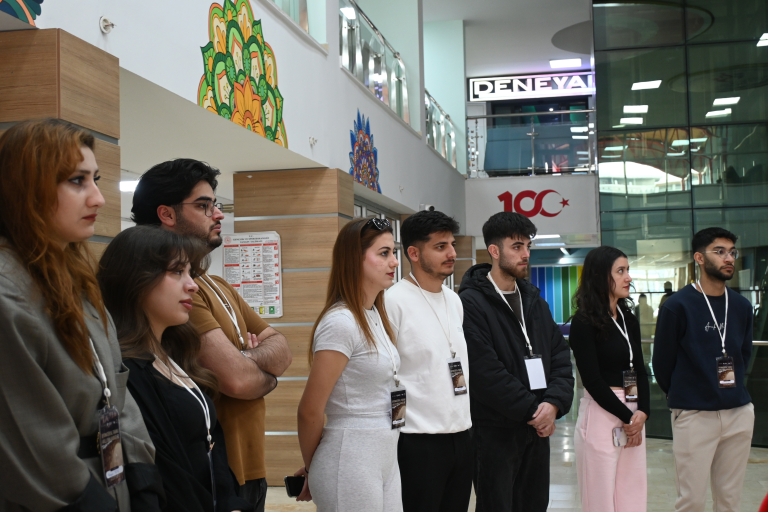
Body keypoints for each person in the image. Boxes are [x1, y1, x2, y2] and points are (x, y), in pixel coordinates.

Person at [0, 119, 162, 511]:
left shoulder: (76, 279)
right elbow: (32, 438)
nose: (98, 199)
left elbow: (116, 390)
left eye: (96, 179)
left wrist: (141, 476)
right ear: (27, 189)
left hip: (110, 481)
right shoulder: (9, 293)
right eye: (77, 181)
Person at [131, 159, 293, 511]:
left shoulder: (215, 284)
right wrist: (260, 370)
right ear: (166, 214)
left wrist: (245, 360)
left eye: (215, 204)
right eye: (204, 206)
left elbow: (283, 349)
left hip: (250, 467)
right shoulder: (170, 295)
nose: (217, 214)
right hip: (210, 469)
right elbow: (236, 380)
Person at [98, 226, 253, 512]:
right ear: (136, 279)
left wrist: (231, 503)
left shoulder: (176, 355)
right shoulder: (127, 371)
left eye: (190, 273)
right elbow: (165, 472)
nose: (193, 285)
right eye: (177, 272)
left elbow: (212, 445)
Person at [458, 212, 574, 512]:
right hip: (494, 431)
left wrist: (553, 404)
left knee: (534, 504)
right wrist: (534, 410)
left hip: (537, 428)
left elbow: (560, 358)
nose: (526, 254)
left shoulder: (535, 301)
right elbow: (485, 372)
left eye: (528, 246)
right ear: (494, 251)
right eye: (517, 247)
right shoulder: (470, 303)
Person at [296, 218, 402, 511]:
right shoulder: (341, 322)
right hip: (350, 457)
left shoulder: (375, 315)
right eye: (384, 253)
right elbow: (309, 411)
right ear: (355, 258)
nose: (394, 262)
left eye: (393, 252)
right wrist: (312, 466)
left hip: (385, 455)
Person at [654, 227, 754, 512]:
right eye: (719, 252)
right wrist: (686, 397)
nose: (729, 258)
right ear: (699, 258)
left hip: (738, 412)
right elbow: (662, 363)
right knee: (692, 501)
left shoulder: (741, 306)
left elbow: (743, 354)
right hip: (695, 414)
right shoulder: (677, 306)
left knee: (729, 501)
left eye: (732, 252)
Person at [384, 210, 473, 512]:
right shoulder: (392, 301)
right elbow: (386, 375)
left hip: (461, 433)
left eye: (452, 245)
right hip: (417, 440)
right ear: (414, 253)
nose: (452, 254)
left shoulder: (454, 300)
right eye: (440, 246)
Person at [569, 246, 649, 512]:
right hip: (603, 410)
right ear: (600, 276)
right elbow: (592, 380)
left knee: (632, 494)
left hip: (633, 410)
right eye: (620, 271)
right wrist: (628, 417)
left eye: (628, 270)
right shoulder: (583, 322)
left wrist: (643, 412)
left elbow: (640, 368)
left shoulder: (628, 318)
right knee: (600, 498)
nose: (628, 277)